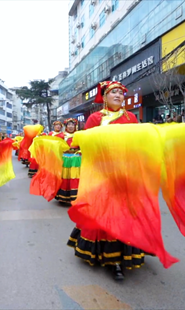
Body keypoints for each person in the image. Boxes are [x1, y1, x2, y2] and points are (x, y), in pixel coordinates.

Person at [67, 81, 143, 281]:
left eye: (121, 93)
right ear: (106, 96)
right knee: (106, 212)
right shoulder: (95, 118)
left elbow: (137, 145)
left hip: (125, 172)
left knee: (125, 212)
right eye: (114, 92)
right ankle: (112, 259)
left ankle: (122, 253)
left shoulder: (131, 117)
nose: (118, 95)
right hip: (102, 173)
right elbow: (87, 145)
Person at [56, 118, 80, 204]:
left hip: (76, 159)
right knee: (65, 176)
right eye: (69, 125)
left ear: (75, 126)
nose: (70, 126)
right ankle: (64, 196)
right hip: (65, 158)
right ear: (66, 126)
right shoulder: (62, 136)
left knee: (75, 176)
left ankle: (75, 197)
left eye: (72, 125)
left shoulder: (79, 135)